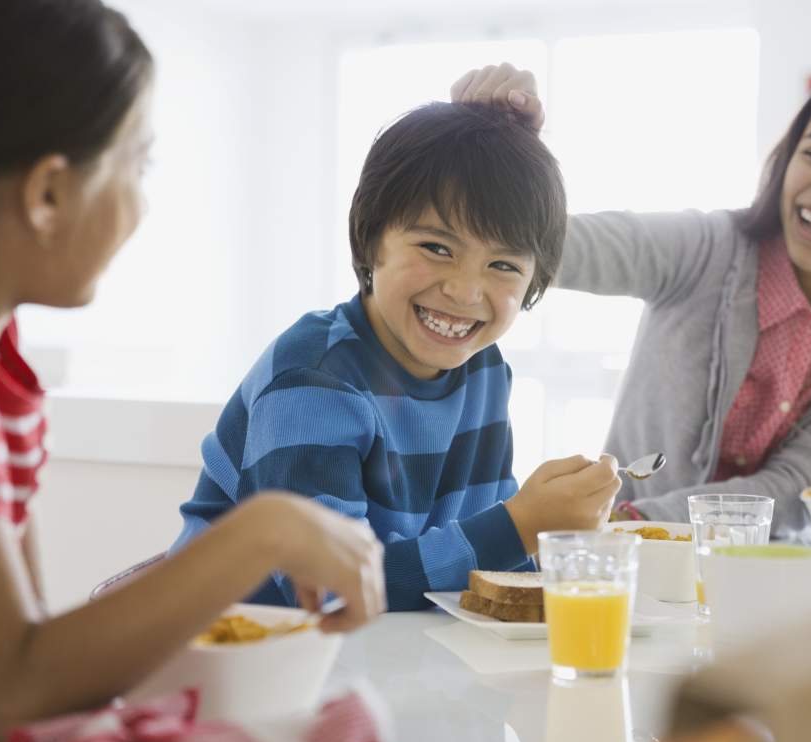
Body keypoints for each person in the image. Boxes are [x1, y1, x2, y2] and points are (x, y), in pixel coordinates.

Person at [0, 0, 385, 742]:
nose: (141, 202)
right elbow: (17, 681)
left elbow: (13, 665)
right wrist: (264, 529)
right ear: (46, 194)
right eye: (137, 163)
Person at [451, 63, 811, 540]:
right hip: (628, 561)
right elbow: (544, 249)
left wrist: (633, 521)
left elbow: (804, 487)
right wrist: (503, 156)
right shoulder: (703, 247)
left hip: (761, 574)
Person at [170, 101, 621, 611]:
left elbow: (483, 569)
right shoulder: (315, 375)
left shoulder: (485, 372)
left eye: (502, 264)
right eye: (436, 248)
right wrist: (521, 525)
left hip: (384, 654)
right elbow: (331, 589)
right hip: (236, 649)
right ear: (371, 240)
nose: (465, 291)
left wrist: (561, 536)